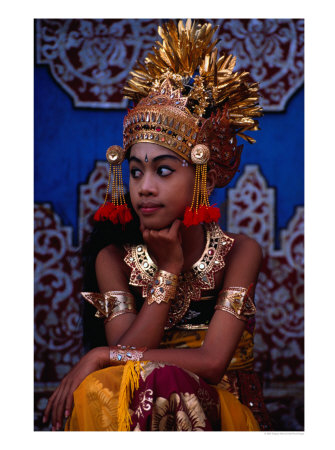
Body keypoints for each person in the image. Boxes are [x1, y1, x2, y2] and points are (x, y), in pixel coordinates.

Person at [43, 19, 271, 431]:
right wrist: (167, 271)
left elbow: (213, 362)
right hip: (143, 409)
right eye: (135, 172)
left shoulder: (240, 251)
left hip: (222, 409)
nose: (145, 188)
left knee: (160, 379)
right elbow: (126, 357)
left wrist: (97, 356)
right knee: (110, 387)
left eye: (164, 171)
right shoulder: (114, 257)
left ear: (205, 174)